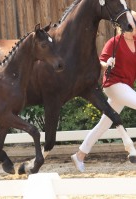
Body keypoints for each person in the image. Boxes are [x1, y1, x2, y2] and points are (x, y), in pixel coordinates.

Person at [71, 11, 136, 172]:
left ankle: (79, 155)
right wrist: (108, 63)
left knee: (103, 125)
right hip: (113, 85)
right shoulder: (113, 42)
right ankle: (130, 147)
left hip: (125, 87)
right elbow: (101, 62)